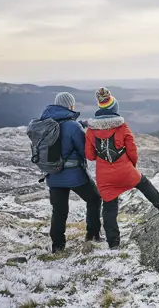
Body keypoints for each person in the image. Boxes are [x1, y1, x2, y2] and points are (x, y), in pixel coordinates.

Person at [85, 87, 159, 250]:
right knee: (143, 183)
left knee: (109, 207)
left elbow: (89, 155)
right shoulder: (122, 127)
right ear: (115, 108)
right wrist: (132, 166)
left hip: (104, 175)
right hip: (124, 169)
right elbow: (132, 150)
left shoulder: (90, 130)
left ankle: (113, 243)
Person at [40, 92, 102, 253]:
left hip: (53, 175)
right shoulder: (73, 127)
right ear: (70, 106)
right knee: (94, 199)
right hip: (75, 175)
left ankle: (57, 246)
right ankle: (92, 235)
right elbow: (85, 152)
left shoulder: (45, 124)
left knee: (59, 211)